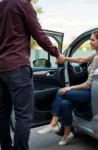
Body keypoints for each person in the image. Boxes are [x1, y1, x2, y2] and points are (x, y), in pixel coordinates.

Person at [0, 0, 65, 150]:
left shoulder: (2, 5)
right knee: (23, 115)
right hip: (17, 67)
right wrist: (56, 54)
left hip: (1, 69)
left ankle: (6, 147)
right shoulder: (23, 5)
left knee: (3, 113)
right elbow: (39, 35)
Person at [38, 29, 98, 146]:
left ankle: (53, 123)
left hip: (90, 92)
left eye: (92, 40)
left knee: (60, 91)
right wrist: (65, 58)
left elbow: (88, 84)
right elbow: (81, 59)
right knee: (65, 103)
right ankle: (67, 134)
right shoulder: (97, 55)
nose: (90, 42)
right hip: (89, 90)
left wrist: (70, 88)